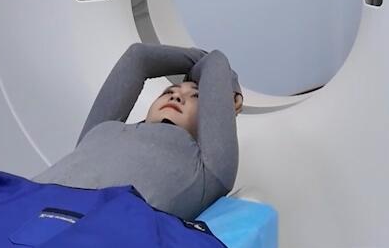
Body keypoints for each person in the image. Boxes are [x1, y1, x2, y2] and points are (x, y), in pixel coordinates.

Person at [38, 43, 242, 219]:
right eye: (168, 92)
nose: (176, 97)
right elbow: (138, 56)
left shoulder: (209, 170)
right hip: (30, 203)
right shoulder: (102, 129)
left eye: (195, 96)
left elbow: (215, 62)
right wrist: (198, 60)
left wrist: (226, 83)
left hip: (94, 233)